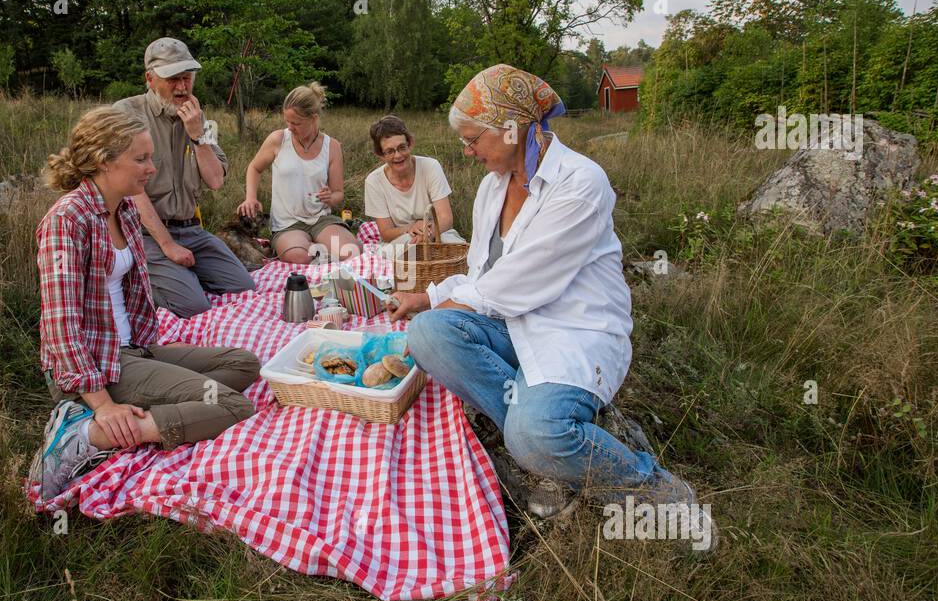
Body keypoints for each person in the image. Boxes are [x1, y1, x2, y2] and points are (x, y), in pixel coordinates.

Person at [388, 64, 705, 522]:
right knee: (428, 334)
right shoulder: (490, 187)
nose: (468, 150)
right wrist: (431, 298)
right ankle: (532, 432)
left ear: (512, 129)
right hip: (514, 325)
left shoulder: (580, 182)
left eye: (474, 137)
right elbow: (484, 272)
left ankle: (657, 489)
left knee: (534, 434)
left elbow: (519, 282)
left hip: (574, 333)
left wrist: (451, 302)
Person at [30, 106, 261, 501]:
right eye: (141, 159)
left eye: (150, 157)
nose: (151, 168)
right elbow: (60, 326)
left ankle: (154, 401)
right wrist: (103, 405)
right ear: (104, 161)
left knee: (243, 365)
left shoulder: (124, 211)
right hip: (98, 364)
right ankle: (93, 433)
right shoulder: (67, 221)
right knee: (232, 405)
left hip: (134, 349)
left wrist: (155, 360)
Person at [113, 37, 255, 317]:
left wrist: (198, 135)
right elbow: (131, 189)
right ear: (150, 79)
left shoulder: (201, 119)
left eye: (187, 78)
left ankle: (180, 277)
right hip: (145, 233)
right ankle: (135, 280)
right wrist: (167, 246)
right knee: (194, 306)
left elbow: (215, 181)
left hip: (191, 229)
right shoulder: (126, 114)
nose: (182, 87)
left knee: (244, 288)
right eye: (172, 79)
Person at [236, 82, 362, 265]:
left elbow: (338, 194)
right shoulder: (278, 139)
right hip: (287, 224)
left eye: (296, 123)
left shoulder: (332, 146)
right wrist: (250, 197)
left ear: (313, 118)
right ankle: (308, 249)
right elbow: (254, 168)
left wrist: (330, 198)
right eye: (287, 121)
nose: (290, 127)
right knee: (299, 256)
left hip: (321, 219)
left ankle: (319, 248)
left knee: (351, 251)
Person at [363, 114, 467, 248]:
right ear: (380, 155)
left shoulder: (430, 166)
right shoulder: (373, 181)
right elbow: (386, 233)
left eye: (402, 147)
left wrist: (427, 234)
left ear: (410, 143)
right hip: (401, 238)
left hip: (437, 232)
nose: (398, 155)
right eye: (390, 151)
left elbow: (446, 218)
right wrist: (410, 228)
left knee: (456, 250)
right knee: (410, 252)